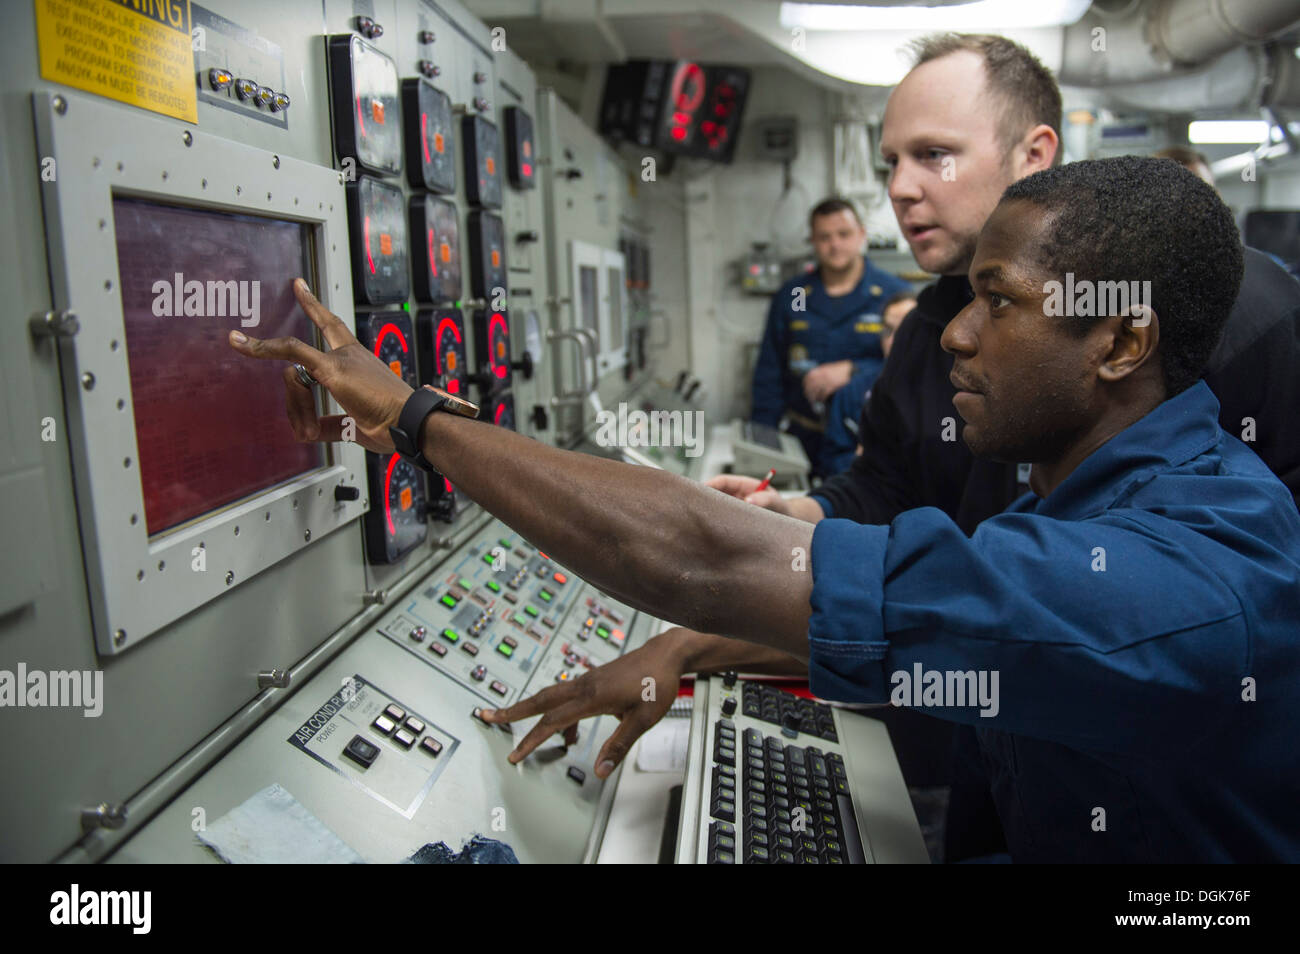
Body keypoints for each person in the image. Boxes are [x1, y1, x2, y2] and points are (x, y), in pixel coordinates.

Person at [229, 156, 1300, 862]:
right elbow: (931, 624)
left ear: (1119, 342)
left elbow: (700, 550)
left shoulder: (1170, 584)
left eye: (1001, 302)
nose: (958, 338)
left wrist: (420, 418)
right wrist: (688, 652)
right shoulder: (1097, 508)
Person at [750, 198, 910, 472]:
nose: (835, 245)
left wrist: (855, 370)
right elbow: (769, 373)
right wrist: (762, 444)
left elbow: (911, 368)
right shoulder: (794, 295)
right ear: (812, 241)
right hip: (801, 438)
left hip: (865, 441)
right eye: (824, 237)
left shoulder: (893, 294)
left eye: (844, 234)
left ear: (861, 234)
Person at [820, 292, 917, 474]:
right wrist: (861, 461)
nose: (893, 341)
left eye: (905, 329)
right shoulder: (852, 393)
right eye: (888, 331)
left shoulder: (947, 389)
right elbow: (831, 461)